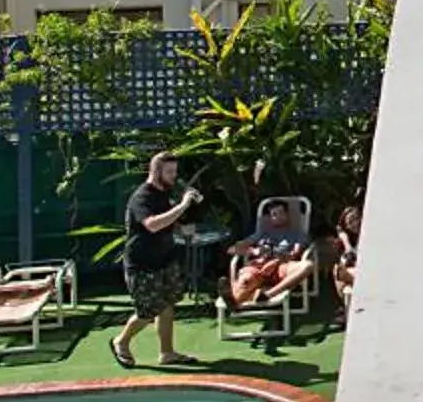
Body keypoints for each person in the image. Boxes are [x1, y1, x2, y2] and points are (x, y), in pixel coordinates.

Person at [110, 151, 202, 368]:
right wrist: (183, 205)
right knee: (148, 311)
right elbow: (151, 225)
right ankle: (120, 342)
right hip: (142, 264)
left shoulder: (164, 192)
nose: (173, 176)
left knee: (167, 306)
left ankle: (167, 353)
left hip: (164, 259)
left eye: (175, 171)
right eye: (169, 171)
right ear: (155, 171)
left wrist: (182, 227)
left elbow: (167, 221)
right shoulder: (141, 197)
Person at [224, 197, 310, 311]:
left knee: (307, 265)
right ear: (270, 218)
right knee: (246, 279)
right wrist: (255, 251)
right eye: (274, 214)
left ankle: (268, 294)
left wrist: (277, 256)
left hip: (280, 267)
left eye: (281, 213)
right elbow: (232, 249)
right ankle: (235, 300)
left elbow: (294, 254)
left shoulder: (297, 234)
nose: (278, 217)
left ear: (287, 214)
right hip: (258, 267)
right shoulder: (262, 233)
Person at [327, 203, 361, 311]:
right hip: (355, 268)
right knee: (339, 270)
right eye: (350, 222)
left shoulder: (369, 234)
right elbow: (346, 260)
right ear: (346, 227)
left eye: (357, 218)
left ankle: (345, 308)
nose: (355, 223)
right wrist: (346, 242)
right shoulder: (346, 242)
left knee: (342, 274)